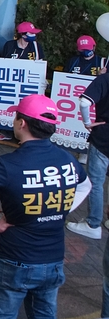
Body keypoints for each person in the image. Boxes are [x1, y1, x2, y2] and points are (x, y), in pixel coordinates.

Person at [0, 94, 92, 319]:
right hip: (53, 260)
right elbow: (86, 185)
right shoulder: (67, 159)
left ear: (22, 123)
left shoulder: (6, 164)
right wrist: (59, 208)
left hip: (13, 260)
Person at [67, 71, 109, 240]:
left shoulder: (104, 79)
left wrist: (87, 122)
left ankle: (93, 223)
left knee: (96, 181)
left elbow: (85, 102)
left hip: (104, 136)